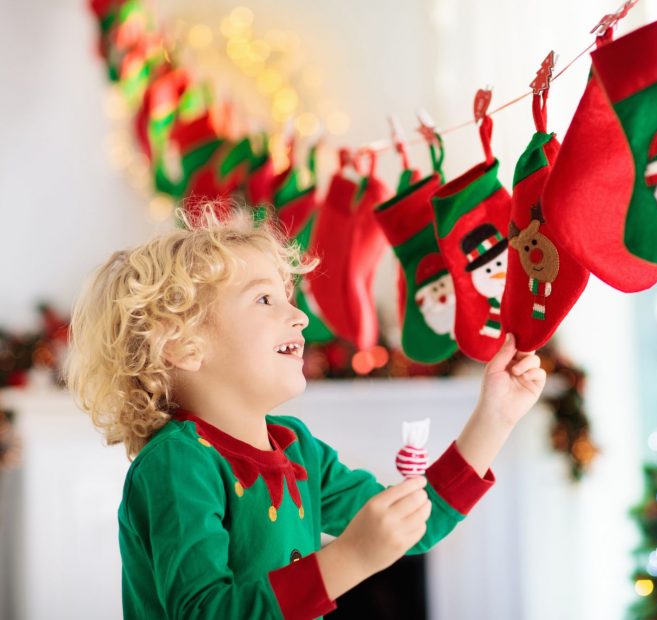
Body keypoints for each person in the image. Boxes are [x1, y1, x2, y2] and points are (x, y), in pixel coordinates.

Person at [64, 203, 546, 620]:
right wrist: (352, 557)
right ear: (184, 346)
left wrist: (496, 417)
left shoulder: (297, 448)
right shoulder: (177, 464)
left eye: (289, 299)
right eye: (265, 299)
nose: (299, 316)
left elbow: (412, 526)